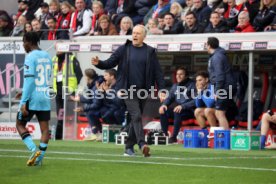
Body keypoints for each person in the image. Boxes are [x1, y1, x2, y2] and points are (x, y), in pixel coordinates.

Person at [91, 25, 165, 157]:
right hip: (127, 90)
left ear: (144, 36)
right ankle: (142, 144)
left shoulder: (150, 52)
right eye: (134, 33)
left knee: (134, 119)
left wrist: (162, 90)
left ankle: (129, 148)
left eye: (138, 33)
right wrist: (99, 63)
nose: (135, 35)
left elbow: (158, 73)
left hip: (143, 91)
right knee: (136, 116)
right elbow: (110, 63)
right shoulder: (124, 49)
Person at [16, 32, 52, 166]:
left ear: (29, 42)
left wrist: (23, 101)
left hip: (32, 97)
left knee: (19, 124)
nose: (23, 44)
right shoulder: (47, 55)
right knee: (45, 129)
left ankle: (33, 149)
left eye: (23, 41)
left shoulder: (30, 57)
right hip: (45, 95)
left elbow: (30, 80)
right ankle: (39, 158)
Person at [206, 37, 237, 130]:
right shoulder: (218, 55)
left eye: (206, 45)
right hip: (226, 87)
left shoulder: (217, 57)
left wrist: (218, 90)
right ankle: (224, 137)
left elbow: (220, 75)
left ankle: (225, 138)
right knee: (219, 112)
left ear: (209, 45)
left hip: (224, 87)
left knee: (219, 113)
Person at [159, 67, 196, 143]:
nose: (178, 76)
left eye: (181, 74)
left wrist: (183, 106)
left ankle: (173, 137)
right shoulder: (175, 86)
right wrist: (164, 105)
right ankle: (164, 135)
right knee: (164, 110)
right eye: (177, 74)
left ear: (186, 76)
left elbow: (195, 101)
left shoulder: (192, 85)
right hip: (178, 109)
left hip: (189, 110)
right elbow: (169, 98)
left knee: (177, 111)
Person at [52, 52, 83, 139]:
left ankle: (68, 135)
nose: (57, 51)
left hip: (68, 91)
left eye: (59, 50)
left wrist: (73, 87)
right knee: (60, 113)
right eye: (56, 50)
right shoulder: (54, 59)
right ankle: (59, 135)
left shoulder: (72, 58)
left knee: (69, 114)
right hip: (58, 90)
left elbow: (79, 74)